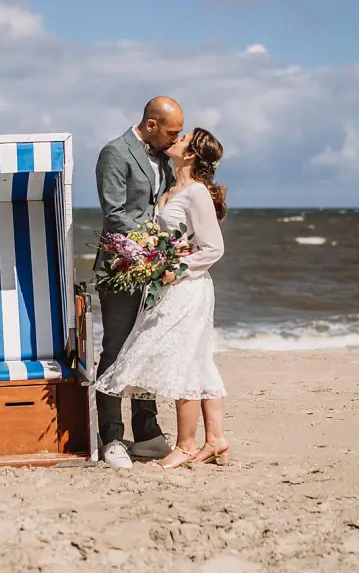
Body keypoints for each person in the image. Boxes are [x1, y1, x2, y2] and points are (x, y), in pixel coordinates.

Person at [94, 127, 230, 469]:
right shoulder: (173, 185)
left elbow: (214, 247)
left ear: (191, 155)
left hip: (186, 286)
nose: (177, 138)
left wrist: (176, 268)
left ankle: (185, 445)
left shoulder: (196, 192)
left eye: (183, 138)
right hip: (167, 284)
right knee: (197, 360)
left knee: (185, 359)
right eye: (175, 132)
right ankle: (215, 440)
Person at [93, 96, 184, 468]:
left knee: (147, 348)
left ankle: (146, 433)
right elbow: (114, 215)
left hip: (155, 268)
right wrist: (153, 247)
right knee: (116, 351)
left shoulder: (164, 158)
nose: (175, 139)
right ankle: (111, 437)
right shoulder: (115, 152)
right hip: (120, 268)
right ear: (150, 125)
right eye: (172, 132)